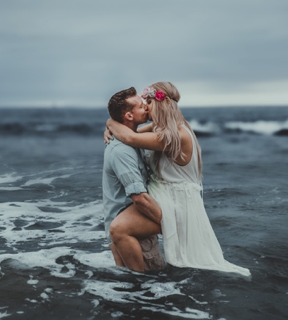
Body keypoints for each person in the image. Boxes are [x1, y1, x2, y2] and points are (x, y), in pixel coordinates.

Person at [105, 81, 250, 277]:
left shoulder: (176, 135)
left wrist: (110, 123)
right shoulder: (164, 127)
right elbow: (130, 133)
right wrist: (114, 124)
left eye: (147, 102)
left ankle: (137, 285)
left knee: (119, 229)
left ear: (158, 103)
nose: (145, 107)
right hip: (164, 193)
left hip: (176, 199)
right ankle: (138, 283)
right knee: (122, 241)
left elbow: (130, 138)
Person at [102, 87, 166, 272]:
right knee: (144, 283)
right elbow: (138, 197)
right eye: (141, 105)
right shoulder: (122, 150)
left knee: (133, 288)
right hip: (127, 230)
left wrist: (110, 124)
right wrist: (172, 226)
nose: (146, 107)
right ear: (129, 116)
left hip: (132, 222)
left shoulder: (132, 139)